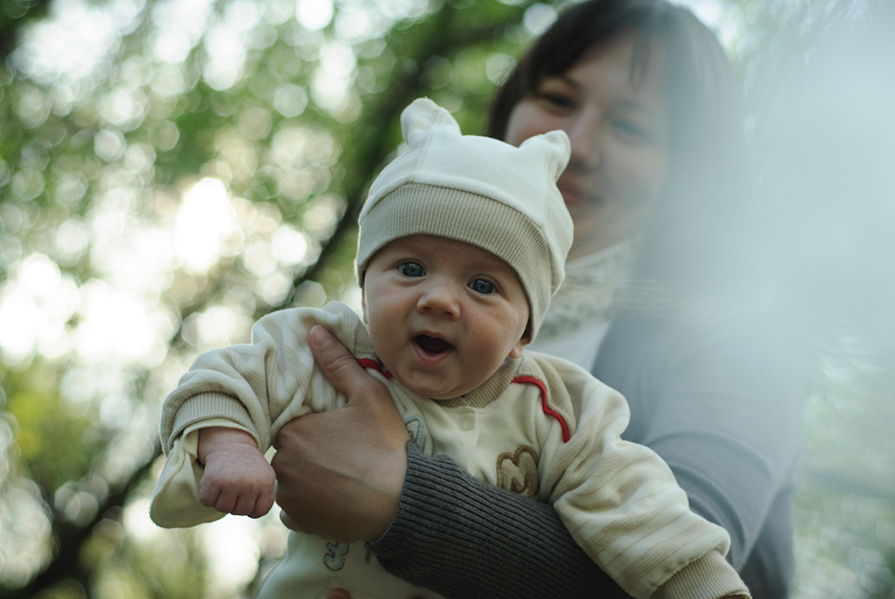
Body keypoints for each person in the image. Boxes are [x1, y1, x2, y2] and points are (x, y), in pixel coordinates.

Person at [269, 1, 809, 599]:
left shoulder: (745, 340)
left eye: (631, 127)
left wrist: (399, 498)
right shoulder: (416, 307)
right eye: (557, 99)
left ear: (685, 173)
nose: (577, 145)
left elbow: (680, 564)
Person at [150, 98, 751, 599]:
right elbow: (225, 379)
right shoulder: (323, 349)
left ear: (524, 331)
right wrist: (228, 444)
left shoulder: (559, 409)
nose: (440, 300)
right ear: (365, 284)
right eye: (410, 267)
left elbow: (637, 506)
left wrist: (706, 587)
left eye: (483, 285)